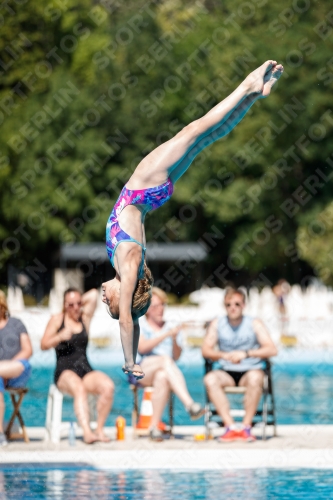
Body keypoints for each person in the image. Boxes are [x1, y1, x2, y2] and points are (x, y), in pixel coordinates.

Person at [102, 60, 284, 379]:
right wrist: (130, 362)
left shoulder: (127, 265)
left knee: (204, 139)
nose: (105, 298)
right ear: (125, 295)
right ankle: (247, 86)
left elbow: (132, 318)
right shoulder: (128, 265)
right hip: (142, 187)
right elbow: (129, 320)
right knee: (196, 130)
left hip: (152, 195)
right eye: (111, 303)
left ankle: (256, 95)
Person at [202, 287, 278, 442]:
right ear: (225, 306)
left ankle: (246, 427)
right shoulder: (218, 323)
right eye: (229, 305)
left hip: (250, 370)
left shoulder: (254, 323)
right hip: (226, 372)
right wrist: (223, 355)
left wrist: (246, 354)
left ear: (243, 305)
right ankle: (230, 427)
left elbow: (272, 349)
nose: (233, 308)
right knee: (209, 379)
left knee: (256, 378)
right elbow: (205, 350)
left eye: (237, 304)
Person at [41, 288, 114, 444]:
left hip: (85, 369)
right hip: (64, 372)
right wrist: (59, 336)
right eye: (71, 304)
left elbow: (94, 294)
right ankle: (87, 433)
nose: (75, 307)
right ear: (65, 305)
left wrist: (77, 300)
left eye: (78, 303)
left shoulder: (84, 318)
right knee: (78, 388)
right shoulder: (57, 320)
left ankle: (99, 430)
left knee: (107, 386)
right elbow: (43, 345)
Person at [137, 287, 204, 441]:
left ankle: (153, 428)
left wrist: (174, 339)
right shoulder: (141, 326)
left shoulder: (171, 326)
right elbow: (142, 348)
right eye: (155, 306)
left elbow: (177, 356)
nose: (160, 309)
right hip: (143, 368)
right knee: (165, 361)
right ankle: (189, 404)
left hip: (165, 369)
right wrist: (166, 334)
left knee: (162, 376)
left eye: (162, 305)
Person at [0, 290, 32, 447]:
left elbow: (27, 350)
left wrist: (7, 367)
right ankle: (0, 433)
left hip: (18, 369)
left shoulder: (16, 324)